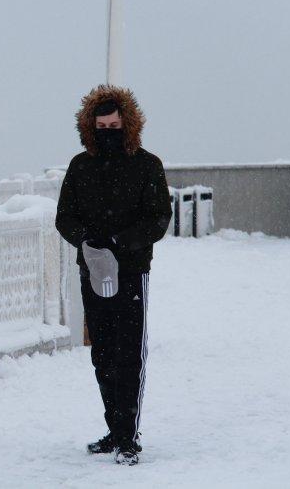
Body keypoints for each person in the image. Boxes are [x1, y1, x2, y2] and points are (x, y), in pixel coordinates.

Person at [55, 85, 172, 466]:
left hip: (132, 274)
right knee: (103, 355)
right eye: (101, 125)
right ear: (90, 127)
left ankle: (128, 438)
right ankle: (113, 428)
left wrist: (119, 241)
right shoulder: (80, 166)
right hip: (92, 273)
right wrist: (86, 239)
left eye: (114, 125)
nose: (108, 131)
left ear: (128, 124)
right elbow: (64, 217)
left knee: (129, 355)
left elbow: (158, 219)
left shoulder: (147, 165)